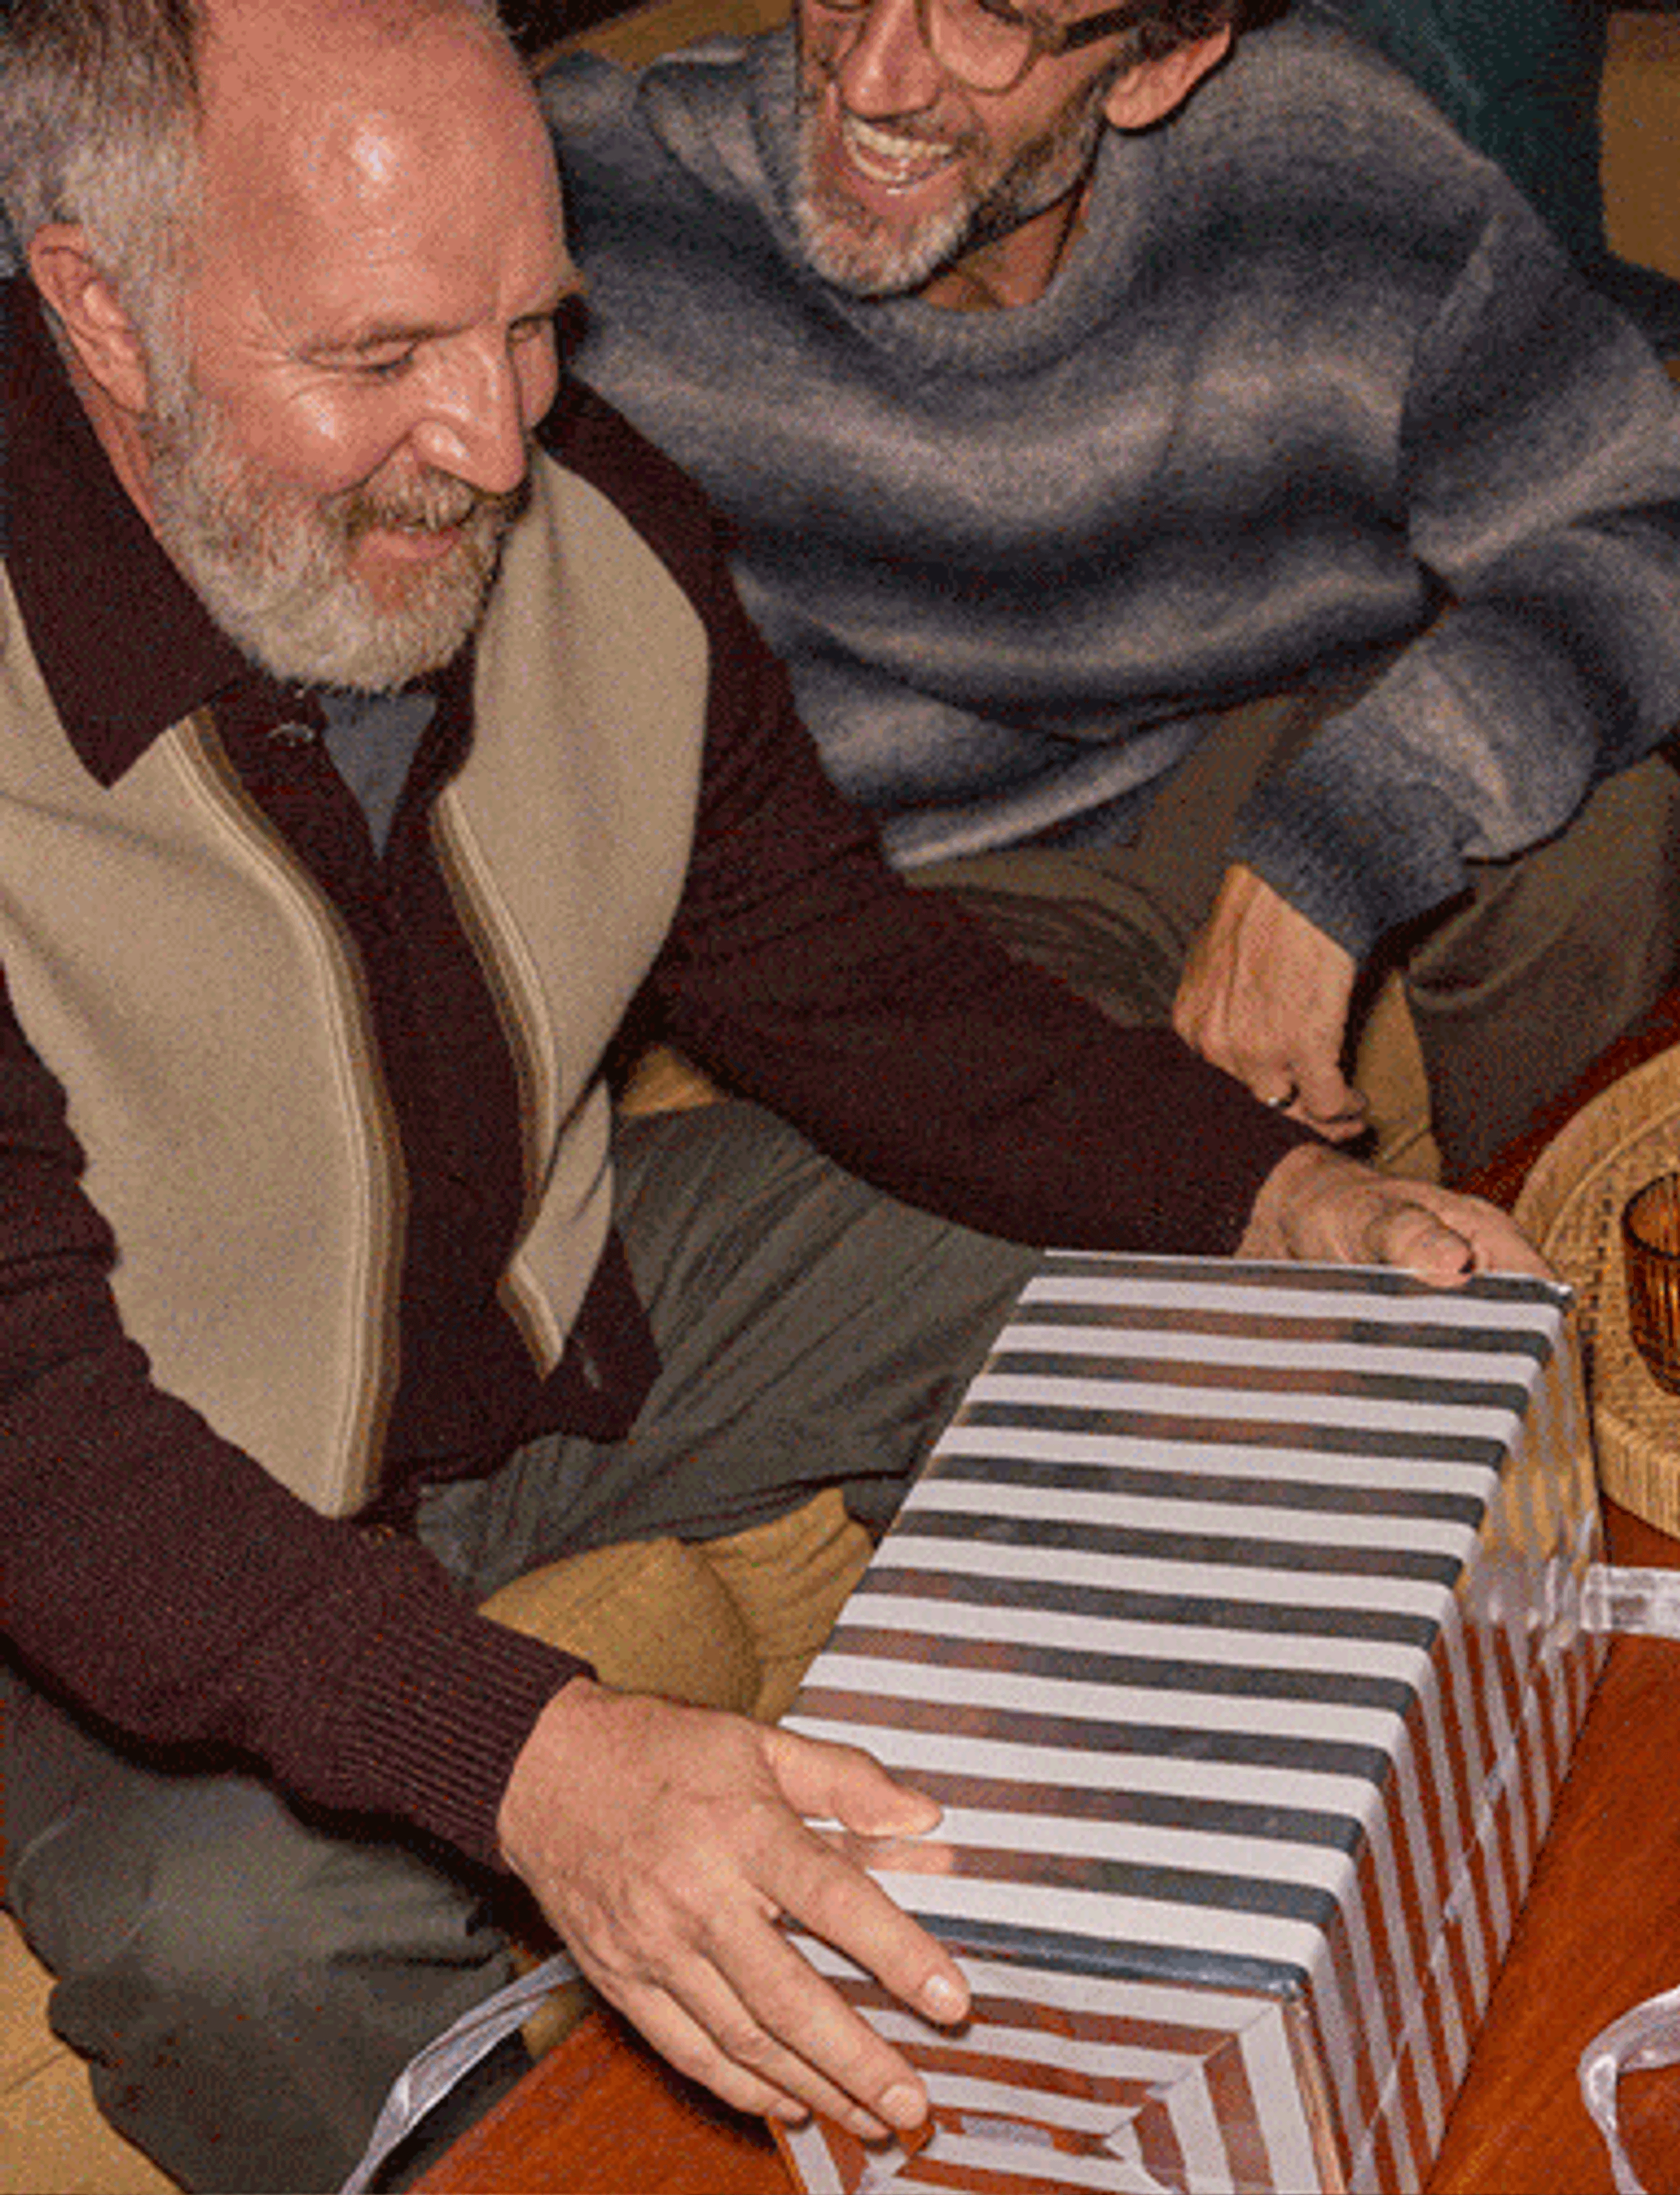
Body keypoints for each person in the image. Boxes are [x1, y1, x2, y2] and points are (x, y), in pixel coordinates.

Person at [0, 0, 1561, 2186]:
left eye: (530, 325)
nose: (492, 442)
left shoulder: (589, 517)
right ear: (102, 306)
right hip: (97, 1528)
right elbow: (32, 1425)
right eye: (378, 360)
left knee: (1169, 1292)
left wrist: (1261, 1195)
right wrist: (531, 1756)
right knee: (223, 1929)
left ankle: (1114, 1961)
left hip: (525, 1335)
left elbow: (835, 968)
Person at [542, 0, 1680, 1178]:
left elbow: (1666, 529)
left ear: (1156, 65)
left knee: (1604, 839)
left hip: (1265, 744)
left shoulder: (1320, 155)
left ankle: (1558, 1301)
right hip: (930, 888)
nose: (872, 77)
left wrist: (1349, 831)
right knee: (1087, 1161)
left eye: (992, 22)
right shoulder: (606, 202)